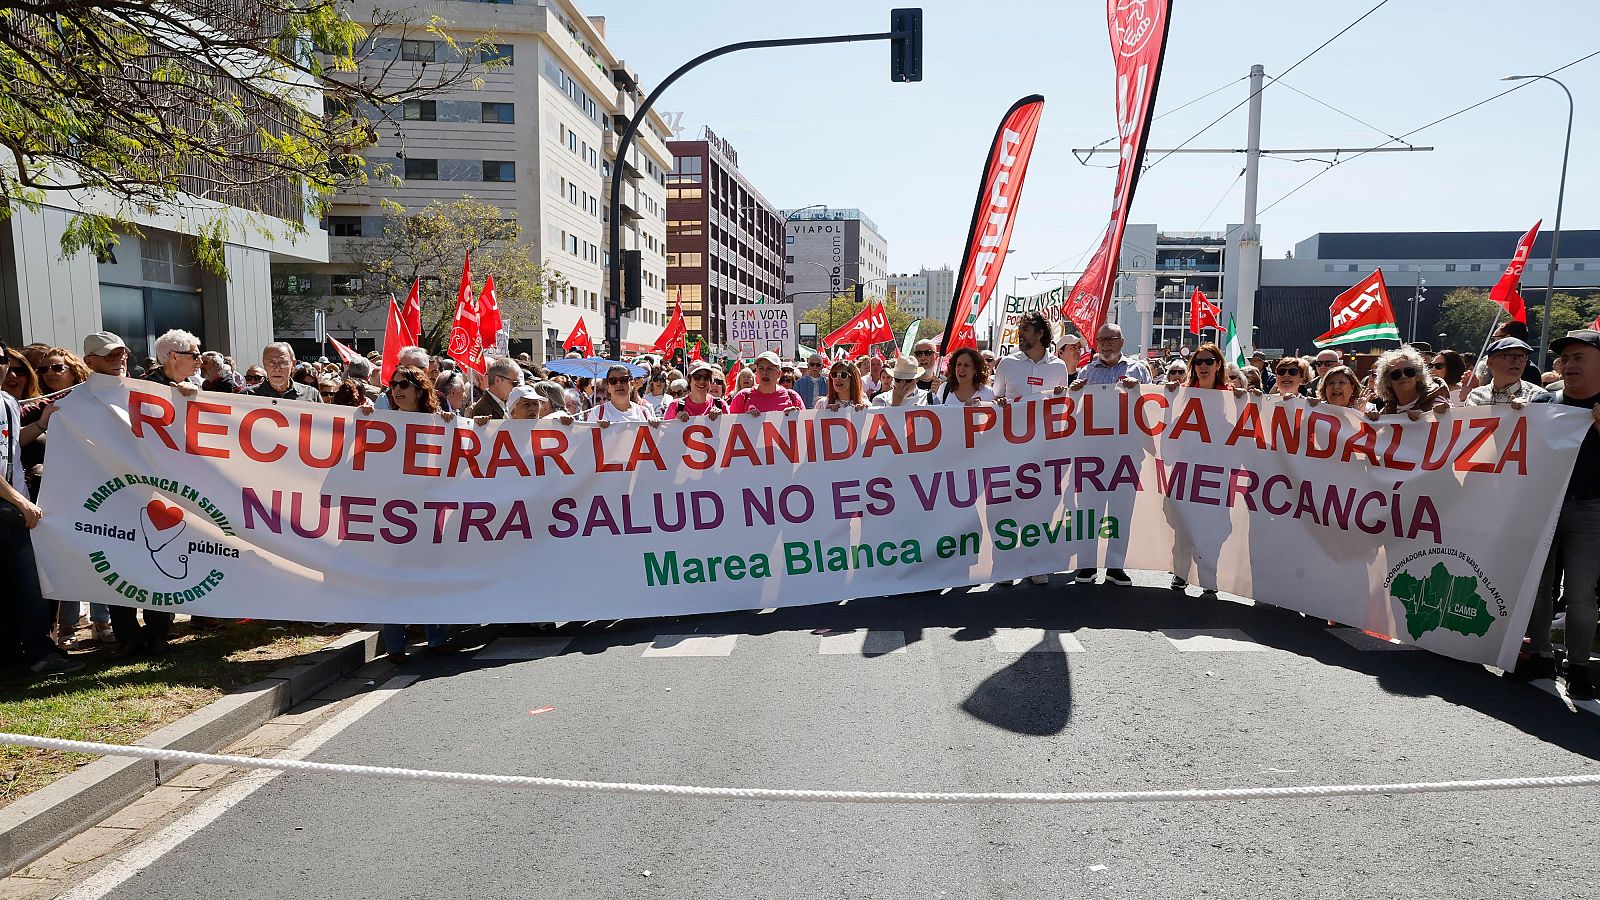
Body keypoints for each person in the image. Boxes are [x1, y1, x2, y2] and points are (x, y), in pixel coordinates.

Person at [1517, 329, 1600, 700]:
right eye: (1565, 359)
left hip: (1592, 511)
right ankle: (1541, 655)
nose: (1568, 365)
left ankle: (1578, 665)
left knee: (1582, 594)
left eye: (1578, 357)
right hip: (1545, 506)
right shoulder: (1545, 402)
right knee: (1537, 586)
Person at [0, 345, 83, 677]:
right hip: (12, 507)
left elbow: (11, 445)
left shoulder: (7, 402)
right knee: (27, 585)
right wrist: (21, 502)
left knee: (23, 586)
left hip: (14, 509)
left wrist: (42, 422)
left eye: (4, 361)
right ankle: (37, 654)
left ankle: (26, 654)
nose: (7, 370)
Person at [996, 311, 1071, 402]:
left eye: (1026, 329)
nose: (1020, 333)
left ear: (1040, 334)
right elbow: (995, 399)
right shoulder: (1006, 363)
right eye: (1020, 329)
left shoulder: (1059, 366)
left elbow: (1063, 403)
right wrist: (999, 401)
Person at [1368, 346, 1450, 420]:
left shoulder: (1437, 402)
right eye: (1396, 374)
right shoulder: (1387, 410)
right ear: (1388, 382)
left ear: (1418, 376)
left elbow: (1454, 428)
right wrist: (1371, 419)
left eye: (1409, 372)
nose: (1403, 376)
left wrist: (1428, 417)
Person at [1466, 338, 1546, 407]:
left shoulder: (1538, 396)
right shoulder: (1474, 397)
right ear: (1490, 363)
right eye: (1509, 356)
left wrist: (1528, 412)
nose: (1517, 361)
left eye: (1522, 356)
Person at [1070, 323, 1151, 389]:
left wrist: (1139, 388)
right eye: (1101, 340)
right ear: (1097, 343)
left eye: (1111, 339)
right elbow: (1077, 405)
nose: (1106, 344)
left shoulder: (1138, 370)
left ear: (1122, 342)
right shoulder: (1086, 373)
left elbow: (1152, 401)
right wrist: (1074, 391)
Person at [729, 351, 805, 415]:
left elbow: (806, 428)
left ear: (779, 373)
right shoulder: (742, 397)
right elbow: (728, 427)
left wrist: (796, 418)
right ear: (756, 372)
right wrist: (744, 420)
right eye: (761, 369)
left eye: (769, 369)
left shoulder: (792, 397)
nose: (764, 373)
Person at [244, 343, 321, 402]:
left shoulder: (311, 394)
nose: (277, 368)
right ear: (264, 364)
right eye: (271, 362)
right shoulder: (246, 396)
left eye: (283, 362)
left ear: (293, 364)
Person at [584, 364, 660, 424]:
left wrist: (657, 426)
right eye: (613, 381)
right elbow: (586, 440)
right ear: (608, 387)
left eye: (624, 380)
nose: (619, 384)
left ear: (632, 383)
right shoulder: (597, 413)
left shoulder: (644, 413)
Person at [144, 329, 203, 399]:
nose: (200, 361)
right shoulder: (144, 388)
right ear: (175, 356)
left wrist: (196, 396)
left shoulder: (195, 385)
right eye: (195, 356)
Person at [929, 347, 994, 405]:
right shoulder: (944, 389)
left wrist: (982, 404)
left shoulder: (987, 393)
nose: (961, 369)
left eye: (966, 365)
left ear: (975, 370)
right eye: (959, 364)